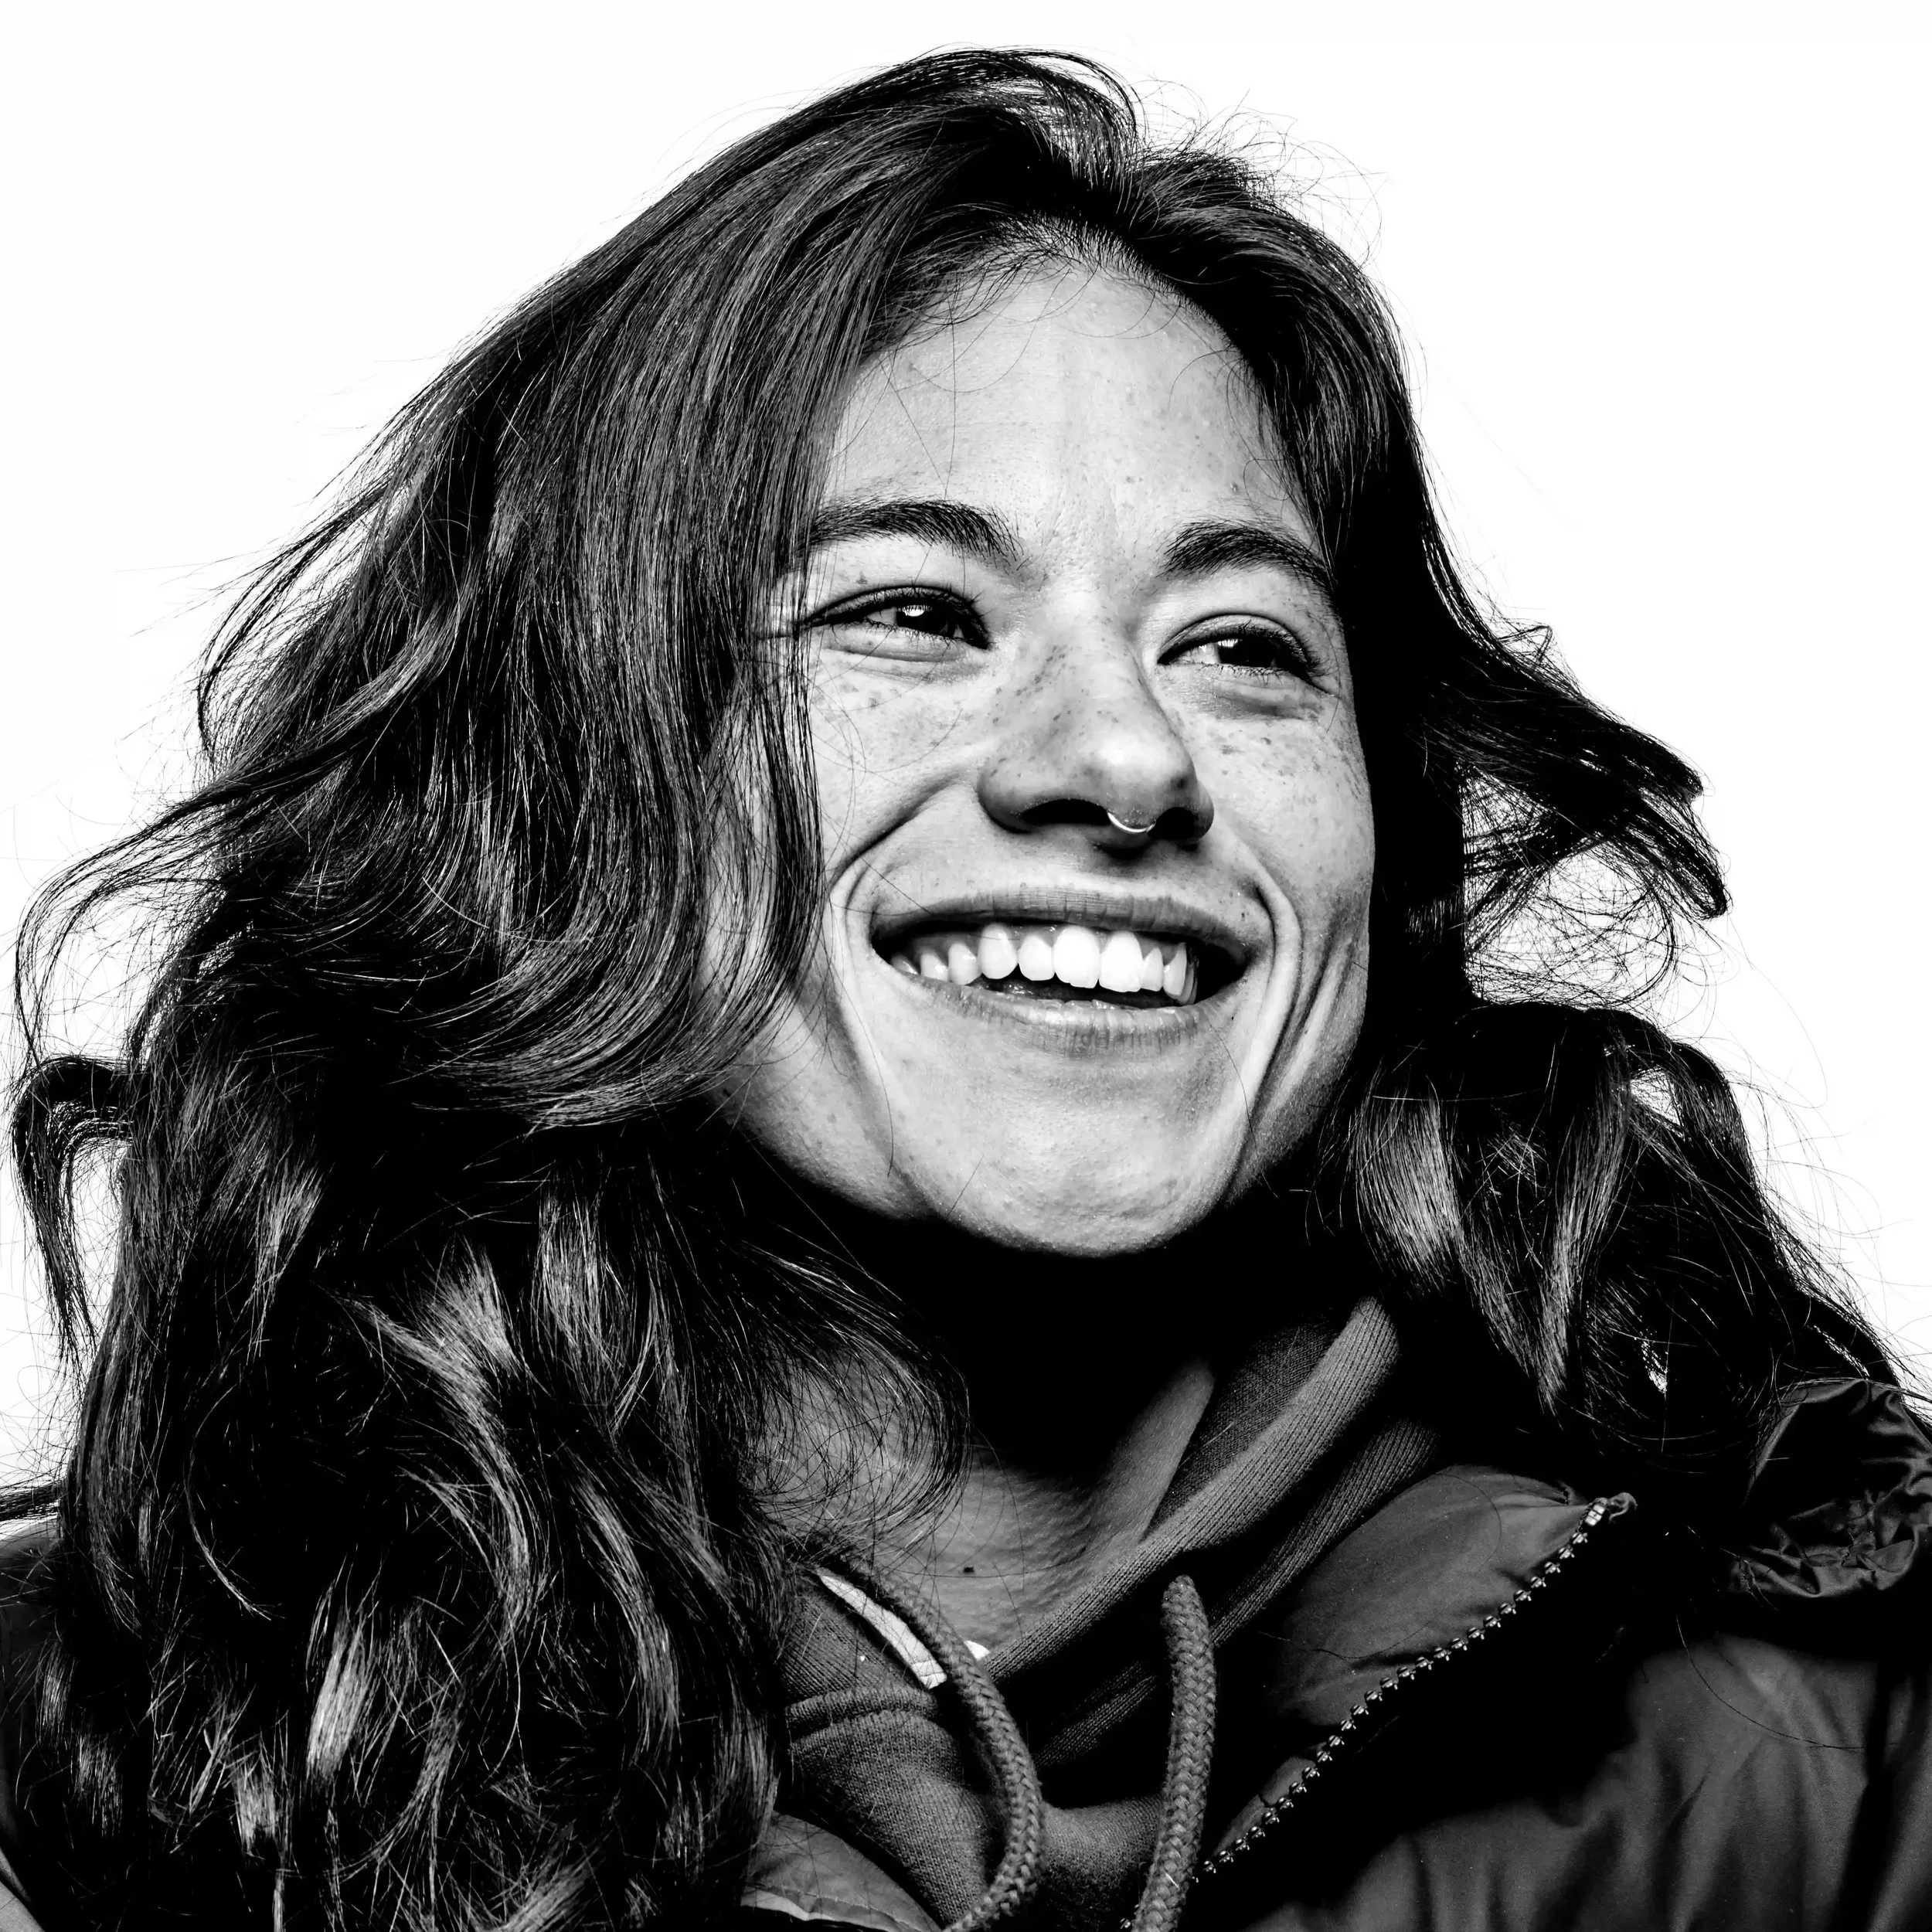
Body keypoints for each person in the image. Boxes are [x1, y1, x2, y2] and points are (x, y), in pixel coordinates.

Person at [5, 46, 1928, 1932]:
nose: (1128, 755)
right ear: (563, 791)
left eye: (1242, 644)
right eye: (913, 613)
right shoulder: (98, 1769)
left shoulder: (1823, 1757)